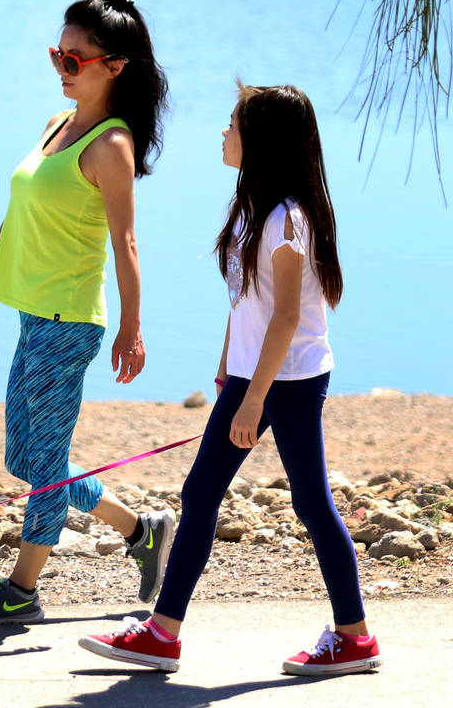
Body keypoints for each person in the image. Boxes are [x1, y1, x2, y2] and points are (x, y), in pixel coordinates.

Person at [80, 83, 382, 675]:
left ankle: (354, 637)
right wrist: (226, 370)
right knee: (202, 496)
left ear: (261, 141)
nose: (223, 133)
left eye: (233, 125)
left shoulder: (287, 219)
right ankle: (163, 634)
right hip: (253, 376)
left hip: (287, 379)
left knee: (311, 503)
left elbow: (288, 316)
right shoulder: (252, 211)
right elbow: (247, 302)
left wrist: (254, 400)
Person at [0, 0, 173, 625]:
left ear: (114, 66)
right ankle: (141, 531)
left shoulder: (110, 147)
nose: (62, 67)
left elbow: (127, 244)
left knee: (43, 463)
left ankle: (22, 590)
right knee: (26, 456)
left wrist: (133, 327)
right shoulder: (56, 126)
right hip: (33, 314)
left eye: (75, 59)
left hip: (71, 322)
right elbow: (19, 215)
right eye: (57, 55)